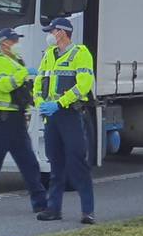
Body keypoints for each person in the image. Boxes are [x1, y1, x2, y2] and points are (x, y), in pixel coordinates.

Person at [0, 28, 48, 215]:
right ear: (5, 43)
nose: (17, 44)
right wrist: (23, 73)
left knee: (28, 161)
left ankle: (41, 203)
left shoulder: (14, 60)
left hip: (16, 117)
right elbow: (4, 85)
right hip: (2, 118)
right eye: (14, 41)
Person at [34, 18, 97, 223]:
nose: (50, 34)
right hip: (52, 118)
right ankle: (54, 208)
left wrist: (60, 103)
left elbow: (84, 85)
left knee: (77, 162)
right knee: (56, 164)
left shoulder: (80, 53)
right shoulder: (49, 56)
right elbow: (39, 82)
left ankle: (87, 211)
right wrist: (40, 102)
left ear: (62, 32)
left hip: (69, 114)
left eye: (52, 30)